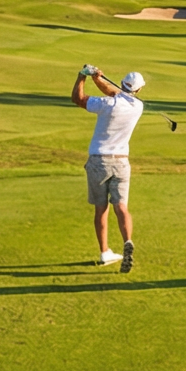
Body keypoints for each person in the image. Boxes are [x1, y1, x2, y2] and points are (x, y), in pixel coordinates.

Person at [70, 65, 146, 271]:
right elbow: (119, 94)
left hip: (98, 161)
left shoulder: (105, 104)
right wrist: (98, 79)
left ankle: (105, 252)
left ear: (122, 84)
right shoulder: (138, 106)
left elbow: (78, 99)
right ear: (138, 91)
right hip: (121, 162)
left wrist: (82, 77)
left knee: (101, 209)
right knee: (121, 206)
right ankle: (127, 240)